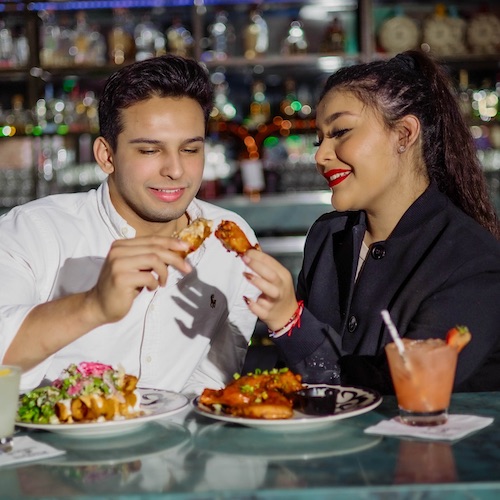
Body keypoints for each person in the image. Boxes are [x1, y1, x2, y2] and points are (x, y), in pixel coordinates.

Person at [241, 50, 500, 393]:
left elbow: (404, 391)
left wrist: (291, 322)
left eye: (341, 131)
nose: (320, 155)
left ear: (404, 134)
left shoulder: (471, 260)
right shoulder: (328, 235)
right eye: (320, 139)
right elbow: (291, 381)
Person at [0, 55, 259, 395]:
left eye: (190, 149)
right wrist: (93, 305)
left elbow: (213, 380)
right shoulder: (34, 230)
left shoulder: (230, 240)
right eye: (150, 150)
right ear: (106, 156)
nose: (176, 170)